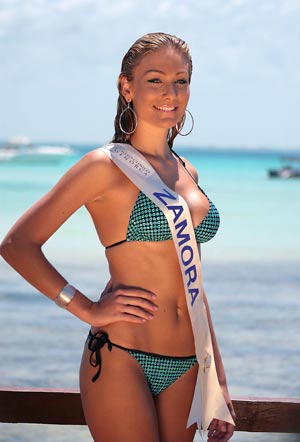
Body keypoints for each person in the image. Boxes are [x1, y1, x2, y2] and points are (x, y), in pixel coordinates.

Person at [0, 32, 236, 442]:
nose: (170, 93)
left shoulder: (188, 173)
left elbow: (192, 283)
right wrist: (86, 308)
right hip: (122, 357)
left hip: (188, 362)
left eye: (180, 81)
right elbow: (17, 245)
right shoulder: (103, 166)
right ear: (127, 86)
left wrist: (220, 384)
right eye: (155, 80)